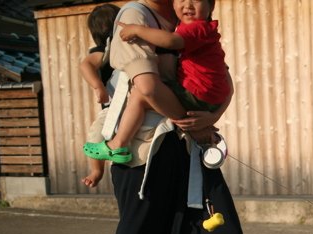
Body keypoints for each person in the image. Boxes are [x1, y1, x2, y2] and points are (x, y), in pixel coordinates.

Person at [101, 0, 284, 234]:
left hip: (192, 148)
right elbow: (148, 86)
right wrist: (196, 123)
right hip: (145, 153)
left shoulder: (192, 22)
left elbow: (224, 82)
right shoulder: (135, 17)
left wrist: (210, 118)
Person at [83, 0, 228, 165]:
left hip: (163, 138)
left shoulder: (194, 26)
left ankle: (117, 144)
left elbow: (149, 88)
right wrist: (209, 118)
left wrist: (195, 125)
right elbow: (226, 80)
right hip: (174, 131)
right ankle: (100, 166)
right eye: (182, 0)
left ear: (210, 6)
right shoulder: (190, 23)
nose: (187, 5)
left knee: (139, 94)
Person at [78, 3, 120, 188]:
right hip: (112, 108)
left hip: (135, 105)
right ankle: (97, 170)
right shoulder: (104, 50)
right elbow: (85, 66)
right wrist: (99, 87)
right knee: (95, 137)